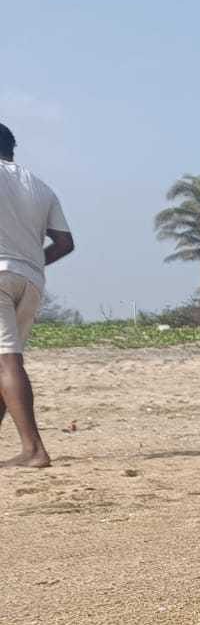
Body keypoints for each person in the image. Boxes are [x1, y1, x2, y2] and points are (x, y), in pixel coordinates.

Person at [0, 121, 74, 469]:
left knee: (7, 363)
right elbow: (65, 243)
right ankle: (29, 448)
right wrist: (29, 263)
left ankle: (33, 450)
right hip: (30, 280)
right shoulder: (40, 186)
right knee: (6, 361)